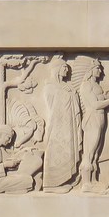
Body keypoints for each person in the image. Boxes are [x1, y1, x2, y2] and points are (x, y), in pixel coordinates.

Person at [78, 59, 109, 190]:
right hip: (92, 119)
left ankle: (93, 180)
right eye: (98, 68)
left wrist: (108, 95)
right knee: (89, 152)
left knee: (95, 153)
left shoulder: (96, 85)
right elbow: (95, 105)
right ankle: (86, 183)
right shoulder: (86, 85)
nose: (101, 71)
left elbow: (100, 99)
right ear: (90, 70)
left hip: (99, 119)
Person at [41, 56, 81, 192]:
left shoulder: (65, 86)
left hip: (68, 124)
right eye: (64, 67)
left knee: (67, 150)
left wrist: (71, 93)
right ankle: (50, 184)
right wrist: (67, 94)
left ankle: (63, 180)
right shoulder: (50, 85)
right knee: (54, 151)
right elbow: (53, 104)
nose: (67, 70)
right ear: (57, 69)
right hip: (57, 124)